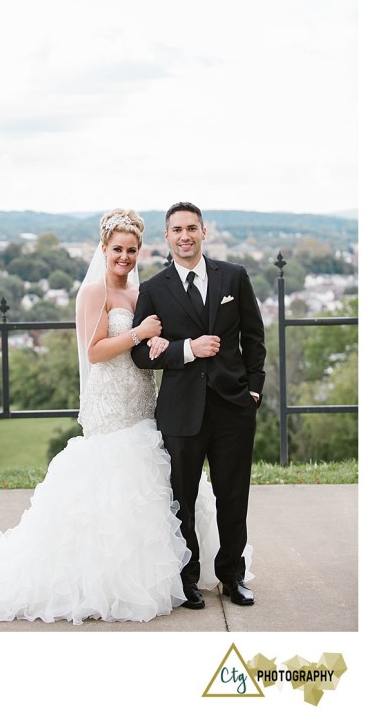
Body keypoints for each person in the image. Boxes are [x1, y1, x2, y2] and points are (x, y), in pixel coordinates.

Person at [0, 209, 238, 625]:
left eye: (132, 250)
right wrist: (139, 334)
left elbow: (148, 350)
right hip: (110, 405)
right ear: (103, 249)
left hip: (142, 399)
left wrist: (158, 344)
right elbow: (95, 350)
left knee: (158, 486)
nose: (124, 257)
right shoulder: (94, 293)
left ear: (141, 251)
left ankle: (171, 575)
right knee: (113, 485)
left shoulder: (141, 295)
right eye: (117, 249)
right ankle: (108, 582)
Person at [130, 202, 265, 610]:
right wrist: (185, 350)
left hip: (232, 408)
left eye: (192, 227)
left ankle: (232, 577)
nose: (185, 235)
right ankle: (187, 581)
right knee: (181, 499)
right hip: (180, 411)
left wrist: (254, 391)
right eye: (176, 230)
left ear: (204, 231)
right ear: (166, 237)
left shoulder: (234, 277)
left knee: (233, 497)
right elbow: (140, 356)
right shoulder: (153, 289)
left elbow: (255, 338)